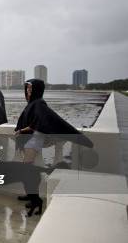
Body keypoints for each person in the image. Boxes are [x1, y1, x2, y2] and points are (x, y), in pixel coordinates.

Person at [14, 79, 93, 216]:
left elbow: (35, 124)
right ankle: (31, 195)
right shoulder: (33, 104)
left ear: (38, 90)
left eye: (31, 89)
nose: (28, 91)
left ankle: (34, 199)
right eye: (27, 89)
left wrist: (21, 131)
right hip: (30, 140)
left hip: (33, 141)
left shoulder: (39, 104)